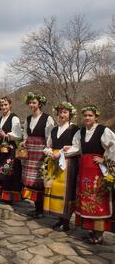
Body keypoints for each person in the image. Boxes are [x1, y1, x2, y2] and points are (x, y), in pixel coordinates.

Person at [66, 105, 115, 244]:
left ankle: (99, 235)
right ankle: (92, 231)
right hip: (84, 170)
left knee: (98, 200)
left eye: (90, 115)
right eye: (85, 115)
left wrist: (104, 159)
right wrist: (64, 151)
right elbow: (76, 148)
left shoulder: (103, 130)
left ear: (96, 117)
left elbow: (113, 145)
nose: (87, 118)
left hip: (97, 171)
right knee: (86, 200)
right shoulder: (81, 132)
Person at [43, 102, 79, 231]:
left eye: (65, 112)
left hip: (67, 164)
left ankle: (66, 220)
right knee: (55, 189)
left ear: (70, 114)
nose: (62, 115)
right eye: (60, 112)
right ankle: (59, 218)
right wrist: (51, 152)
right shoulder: (54, 129)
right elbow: (48, 146)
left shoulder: (75, 129)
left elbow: (77, 147)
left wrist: (62, 153)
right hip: (54, 162)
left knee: (66, 192)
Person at [20, 92, 55, 218]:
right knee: (31, 180)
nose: (31, 105)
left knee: (39, 180)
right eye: (30, 102)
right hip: (30, 152)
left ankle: (41, 210)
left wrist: (48, 151)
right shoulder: (28, 119)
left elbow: (50, 137)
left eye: (34, 102)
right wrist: (24, 141)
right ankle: (36, 208)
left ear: (40, 104)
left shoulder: (47, 118)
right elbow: (26, 135)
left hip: (40, 153)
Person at [0, 97, 23, 204]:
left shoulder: (14, 118)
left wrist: (7, 135)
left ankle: (9, 197)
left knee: (9, 172)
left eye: (5, 105)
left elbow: (18, 135)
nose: (3, 107)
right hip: (0, 147)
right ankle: (2, 194)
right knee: (0, 171)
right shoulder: (0, 118)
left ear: (10, 105)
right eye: (2, 105)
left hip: (9, 148)